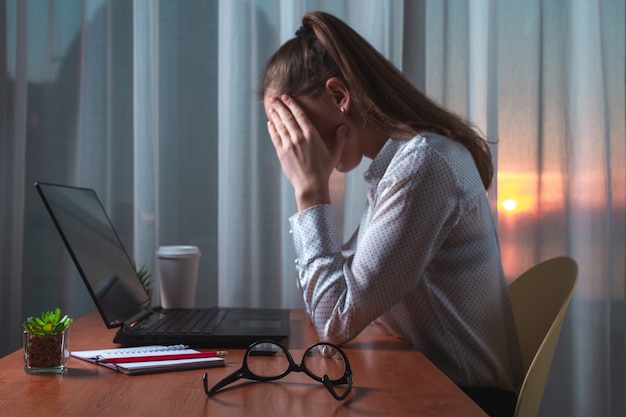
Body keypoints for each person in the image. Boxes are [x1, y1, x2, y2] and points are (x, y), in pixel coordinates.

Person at [258, 11, 523, 417]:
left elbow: (335, 319)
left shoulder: (423, 166)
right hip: (433, 386)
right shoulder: (398, 165)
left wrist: (309, 191)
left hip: (465, 400)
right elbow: (342, 292)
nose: (291, 147)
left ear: (338, 96)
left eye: (293, 125)